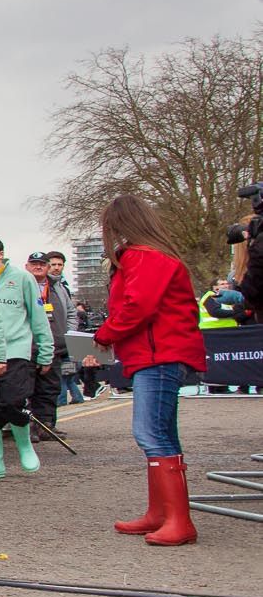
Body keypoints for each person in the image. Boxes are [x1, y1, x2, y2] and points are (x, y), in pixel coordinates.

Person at [94, 195, 206, 546]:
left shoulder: (142, 257)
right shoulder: (154, 255)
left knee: (151, 434)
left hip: (158, 355)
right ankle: (166, 515)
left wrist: (105, 334)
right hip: (161, 353)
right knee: (162, 434)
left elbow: (137, 305)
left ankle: (176, 519)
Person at [0, 237, 54, 477]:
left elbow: (38, 316)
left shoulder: (22, 278)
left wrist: (45, 352)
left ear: (0, 254)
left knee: (12, 401)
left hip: (15, 351)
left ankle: (25, 445)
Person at [24, 251, 72, 434]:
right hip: (27, 347)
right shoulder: (21, 284)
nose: (38, 267)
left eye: (42, 264)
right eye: (34, 263)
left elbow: (71, 312)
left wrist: (65, 332)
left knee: (50, 389)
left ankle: (46, 426)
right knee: (27, 390)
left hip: (54, 347)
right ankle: (27, 428)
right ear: (27, 266)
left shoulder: (58, 287)